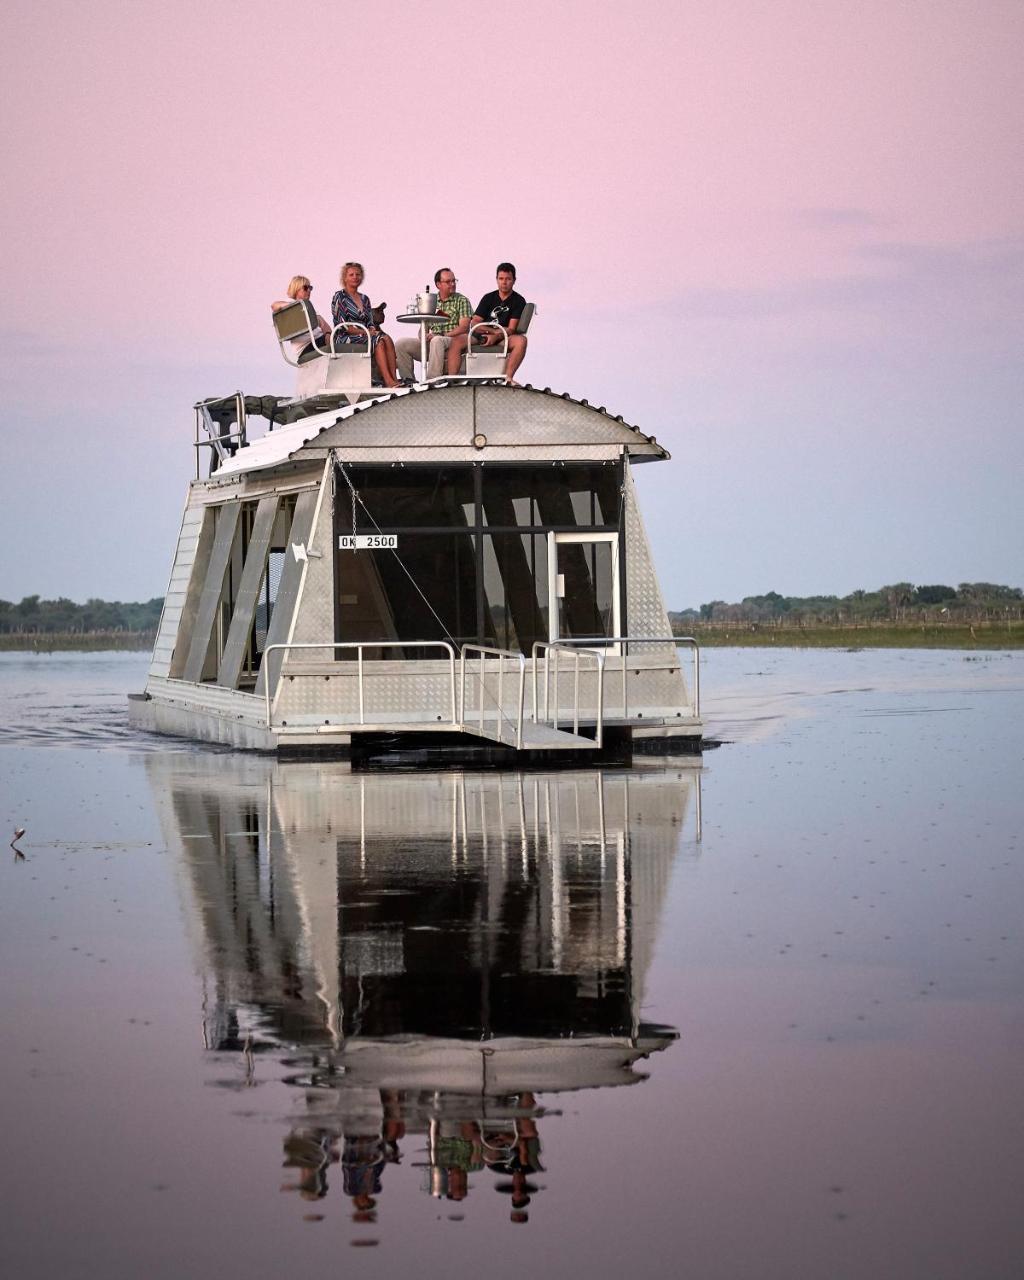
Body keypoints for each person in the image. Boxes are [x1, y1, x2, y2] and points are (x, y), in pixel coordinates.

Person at [447, 262, 528, 382]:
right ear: (496, 279)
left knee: (521, 341)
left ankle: (508, 378)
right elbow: (474, 323)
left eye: (508, 279)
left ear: (514, 280)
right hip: (480, 334)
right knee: (456, 341)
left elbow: (511, 329)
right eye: (501, 279)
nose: (504, 282)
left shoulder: (519, 300)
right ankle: (451, 380)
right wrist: (490, 332)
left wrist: (496, 336)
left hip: (504, 337)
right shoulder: (488, 297)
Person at [331, 262, 402, 388]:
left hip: (365, 334)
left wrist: (372, 330)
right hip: (345, 337)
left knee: (386, 338)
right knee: (378, 341)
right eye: (351, 274)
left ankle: (394, 378)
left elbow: (370, 322)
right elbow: (343, 326)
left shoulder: (365, 299)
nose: (355, 277)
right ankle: (388, 381)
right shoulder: (339, 296)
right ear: (345, 278)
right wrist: (367, 333)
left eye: (358, 274)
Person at [395, 268, 471, 381]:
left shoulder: (462, 300)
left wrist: (443, 335)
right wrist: (423, 336)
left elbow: (464, 327)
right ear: (438, 284)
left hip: (452, 339)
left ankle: (432, 381)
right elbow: (423, 327)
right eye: (448, 281)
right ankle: (408, 380)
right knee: (401, 344)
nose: (453, 284)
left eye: (454, 281)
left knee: (437, 340)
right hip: (433, 341)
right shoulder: (431, 300)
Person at [271, 276, 330, 363]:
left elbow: (325, 326)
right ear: (296, 289)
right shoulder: (291, 303)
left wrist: (328, 334)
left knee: (340, 335)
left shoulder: (307, 307)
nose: (309, 291)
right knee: (345, 338)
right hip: (308, 346)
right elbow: (274, 305)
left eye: (310, 288)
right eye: (305, 288)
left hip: (319, 341)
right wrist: (296, 308)